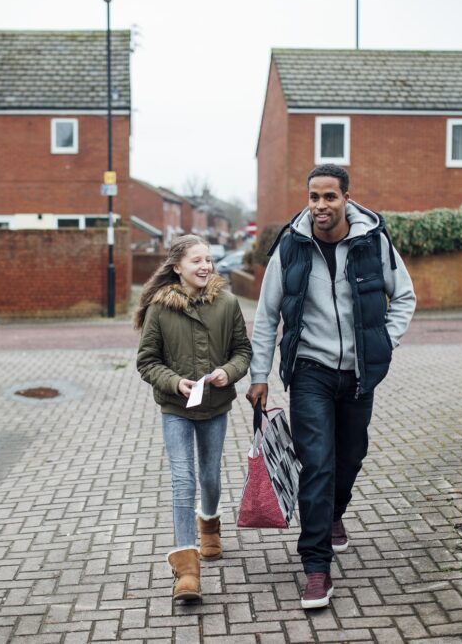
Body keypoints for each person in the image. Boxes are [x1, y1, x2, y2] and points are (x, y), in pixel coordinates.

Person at [246, 163, 416, 609]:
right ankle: (316, 567)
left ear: (346, 199)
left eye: (329, 197)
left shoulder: (373, 240)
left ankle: (335, 515)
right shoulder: (291, 247)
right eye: (314, 197)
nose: (321, 206)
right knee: (317, 464)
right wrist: (259, 375)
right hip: (310, 372)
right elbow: (266, 316)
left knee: (350, 458)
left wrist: (385, 340)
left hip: (359, 373)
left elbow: (404, 296)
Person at [135, 234, 252, 603]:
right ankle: (186, 570)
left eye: (208, 260)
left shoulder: (228, 303)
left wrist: (227, 373)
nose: (205, 266)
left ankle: (210, 526)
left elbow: (243, 351)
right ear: (177, 268)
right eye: (196, 261)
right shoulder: (159, 308)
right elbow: (147, 361)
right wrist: (174, 382)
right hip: (175, 408)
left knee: (210, 476)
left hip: (215, 406)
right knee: (183, 481)